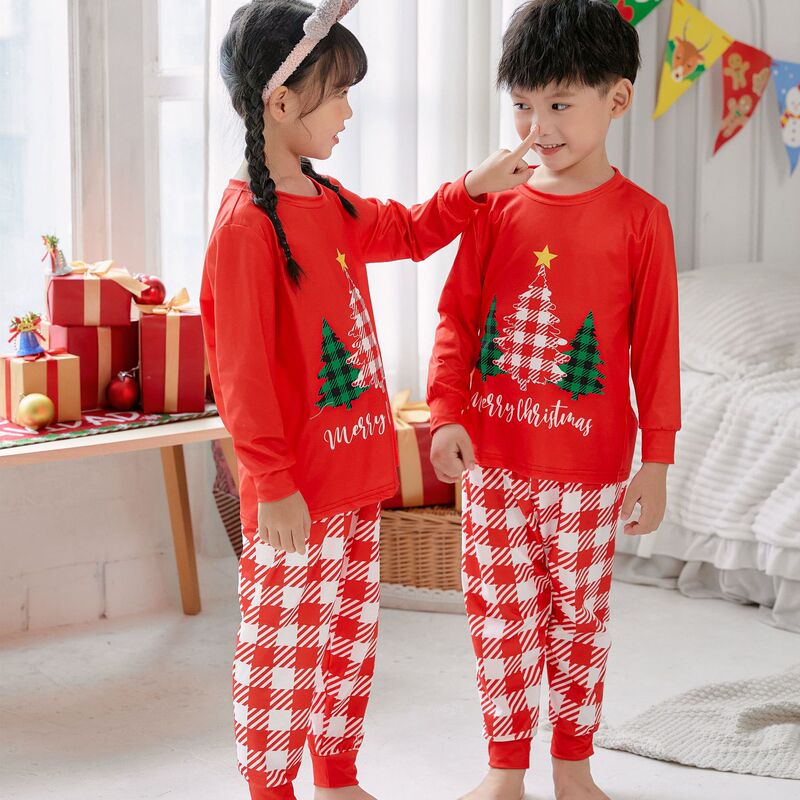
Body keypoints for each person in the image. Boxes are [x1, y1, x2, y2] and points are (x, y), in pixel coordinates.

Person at [200, 1, 535, 798]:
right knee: (281, 648)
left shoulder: (331, 203)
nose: (350, 112)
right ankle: (272, 789)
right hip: (295, 491)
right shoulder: (245, 227)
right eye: (340, 93)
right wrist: (272, 481)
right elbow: (240, 375)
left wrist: (474, 187)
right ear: (282, 103)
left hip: (353, 479)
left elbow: (411, 231)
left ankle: (337, 778)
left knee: (346, 640)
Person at [427, 2, 681, 798]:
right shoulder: (494, 205)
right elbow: (457, 318)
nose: (538, 127)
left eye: (560, 104)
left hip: (590, 468)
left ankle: (573, 768)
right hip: (495, 462)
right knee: (499, 618)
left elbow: (656, 353)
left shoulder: (642, 220)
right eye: (523, 104)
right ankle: (505, 772)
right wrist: (446, 413)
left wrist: (657, 462)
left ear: (618, 98)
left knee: (579, 620)